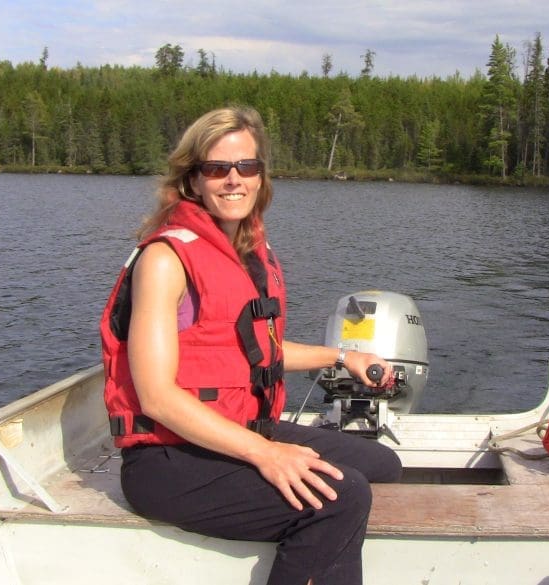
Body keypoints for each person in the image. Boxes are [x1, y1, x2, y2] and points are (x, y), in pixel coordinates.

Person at [100, 106, 402, 585]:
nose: (233, 180)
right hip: (166, 460)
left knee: (380, 464)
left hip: (235, 432)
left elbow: (259, 355)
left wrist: (344, 356)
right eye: (217, 169)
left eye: (248, 166)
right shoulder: (165, 259)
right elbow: (156, 396)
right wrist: (266, 454)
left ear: (262, 177)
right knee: (343, 498)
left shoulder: (244, 253)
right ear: (193, 181)